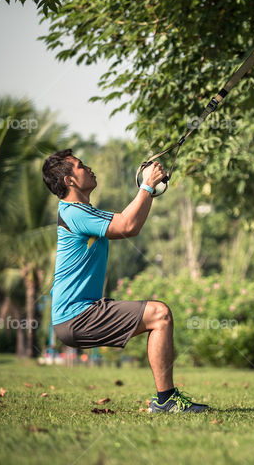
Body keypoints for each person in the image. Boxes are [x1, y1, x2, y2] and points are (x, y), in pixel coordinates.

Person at [42, 149, 209, 413]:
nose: (88, 168)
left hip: (77, 314)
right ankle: (166, 400)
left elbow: (130, 221)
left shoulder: (83, 211)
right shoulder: (76, 214)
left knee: (159, 317)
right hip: (76, 315)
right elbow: (127, 226)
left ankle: (166, 399)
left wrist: (149, 189)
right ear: (69, 181)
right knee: (160, 314)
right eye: (80, 166)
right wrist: (146, 185)